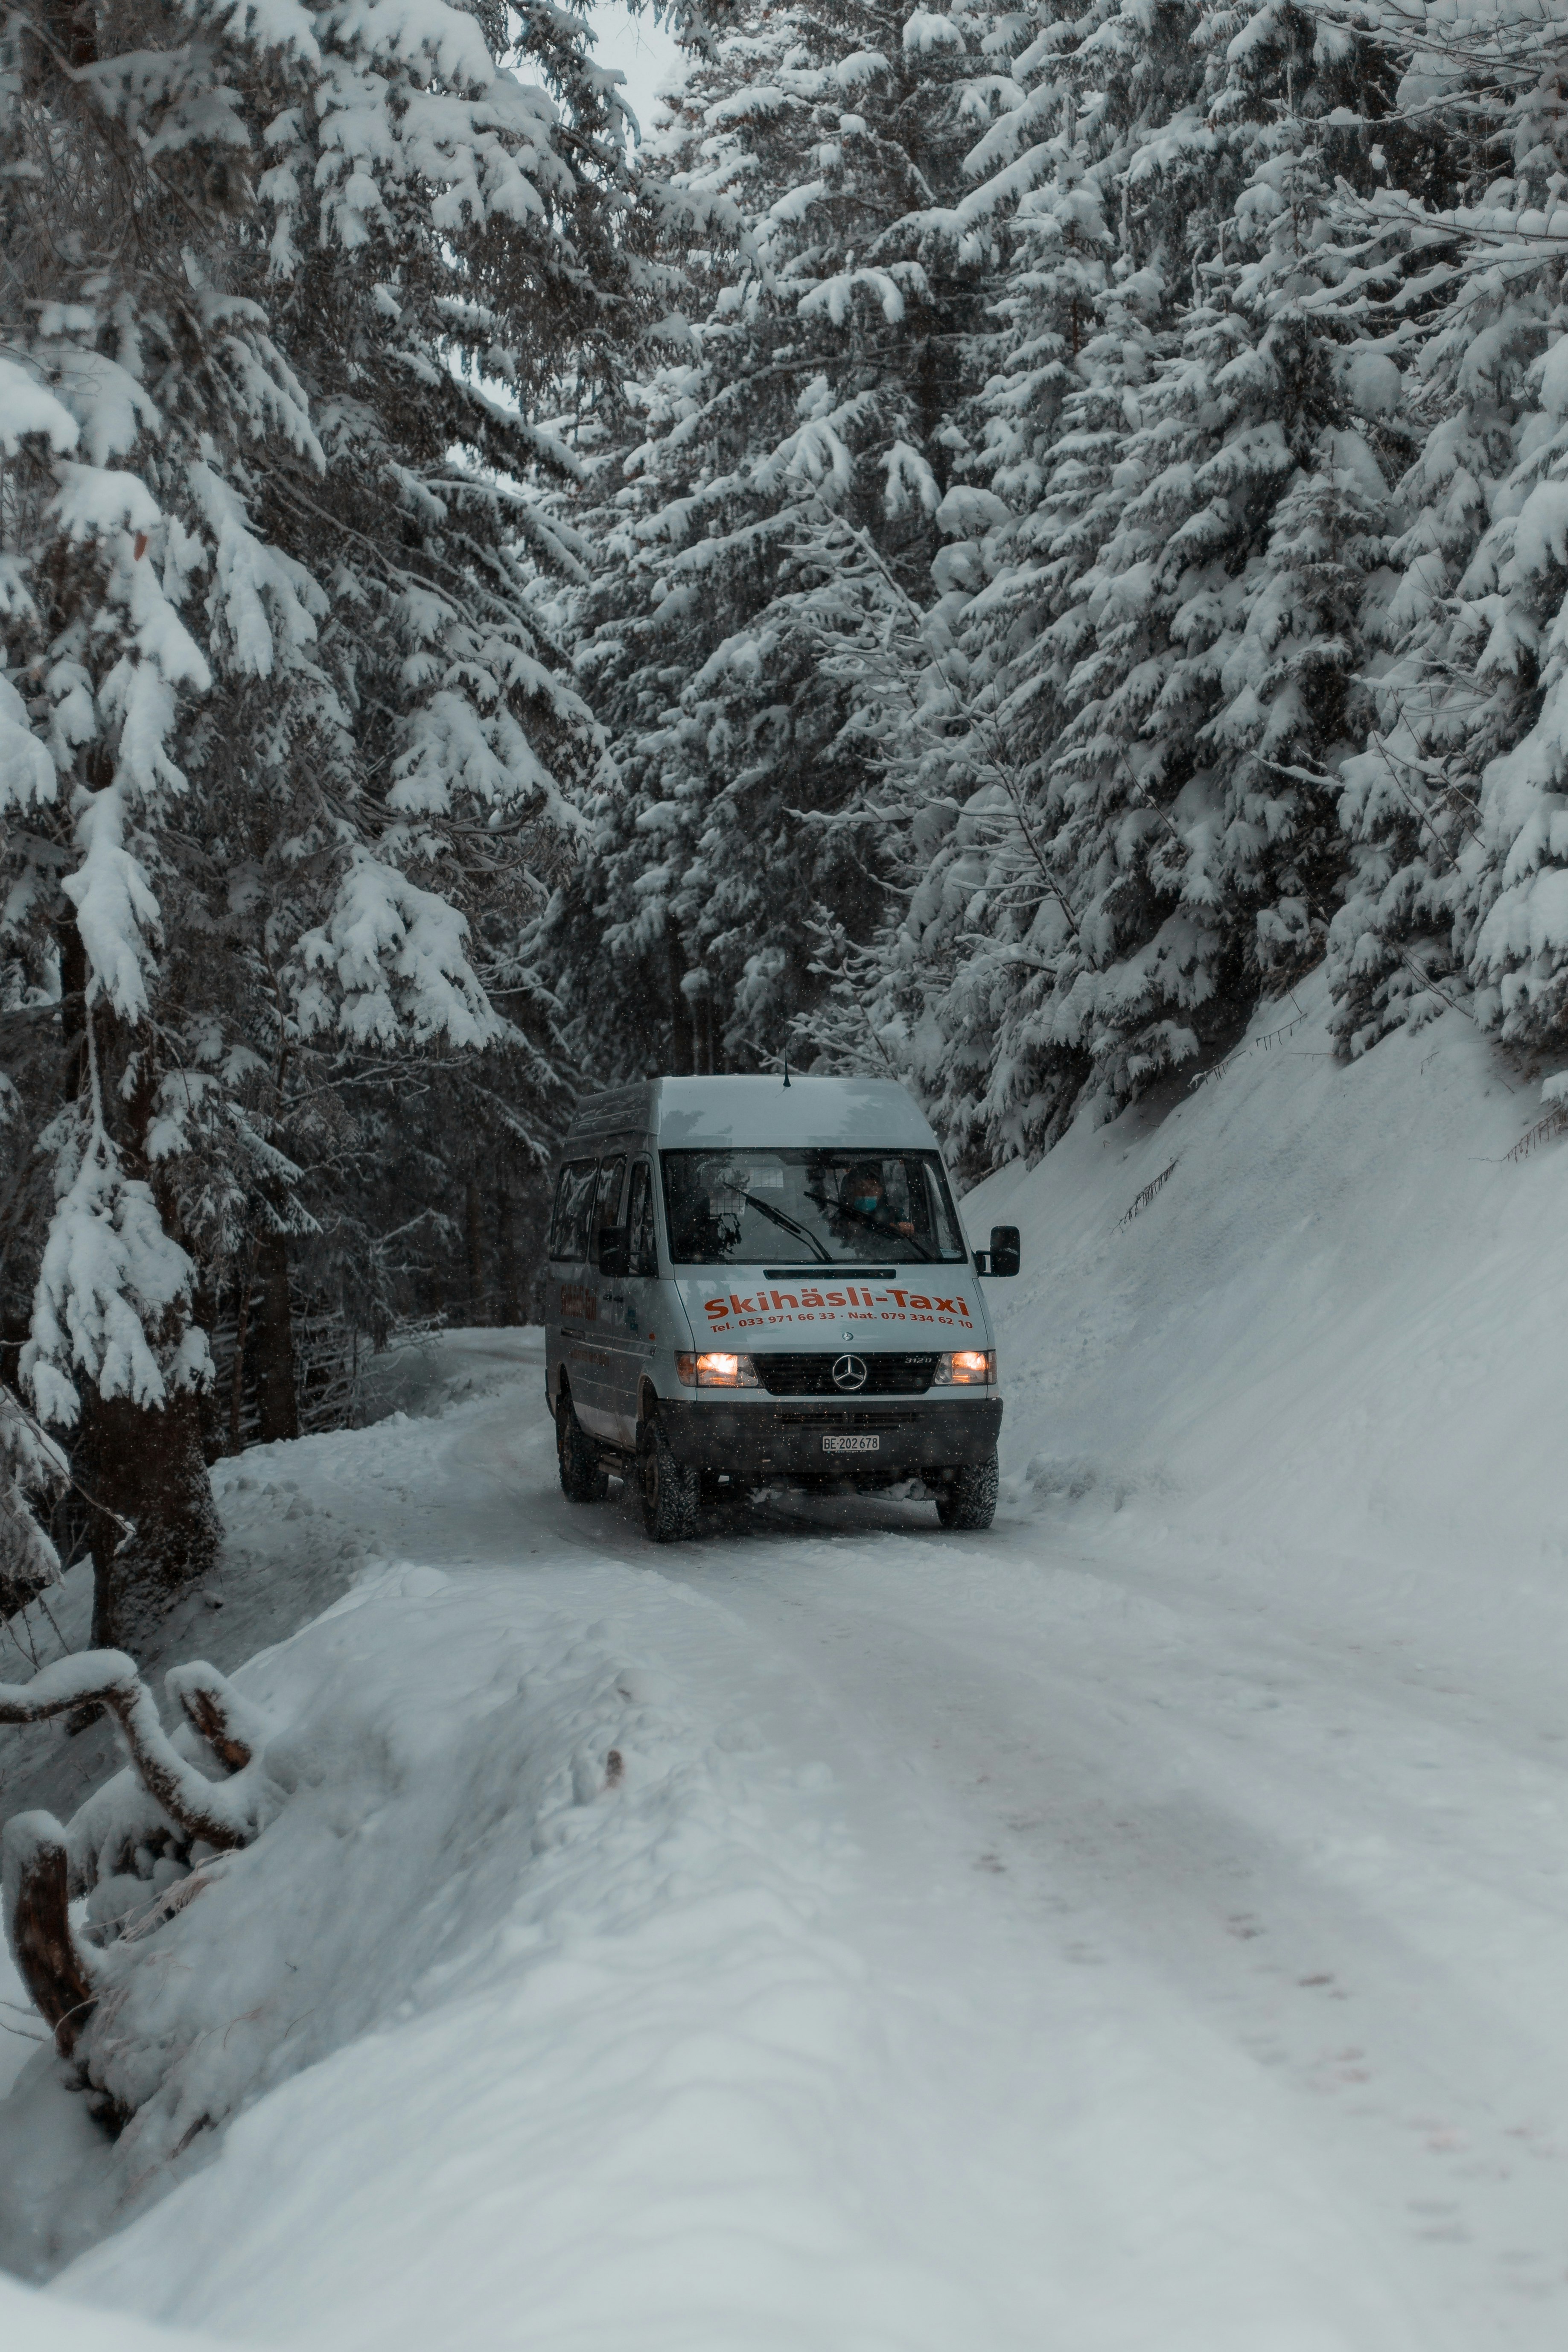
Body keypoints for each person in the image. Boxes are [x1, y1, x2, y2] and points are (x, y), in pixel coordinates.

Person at [837, 1160, 915, 1239]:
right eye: (860, 1188)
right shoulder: (842, 1218)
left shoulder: (895, 1215)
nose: (866, 1193)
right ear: (852, 1191)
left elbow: (909, 1236)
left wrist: (903, 1230)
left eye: (872, 1188)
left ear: (880, 1191)